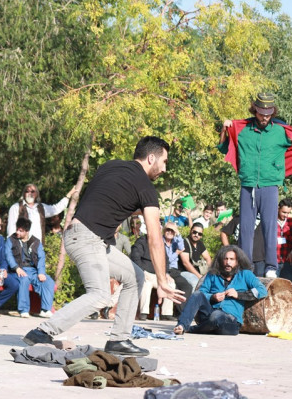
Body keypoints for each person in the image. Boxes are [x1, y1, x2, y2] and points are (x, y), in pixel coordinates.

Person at [22, 136, 185, 357]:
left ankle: (119, 339)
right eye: (164, 162)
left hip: (81, 236)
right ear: (151, 157)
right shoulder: (146, 186)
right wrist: (163, 281)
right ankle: (43, 331)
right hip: (88, 239)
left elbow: (107, 198)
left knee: (135, 277)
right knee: (99, 295)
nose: (165, 169)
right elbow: (155, 238)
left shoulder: (111, 166)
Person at [218, 93, 292, 284]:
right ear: (255, 111)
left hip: (270, 185)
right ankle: (245, 267)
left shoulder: (280, 131)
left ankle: (271, 267)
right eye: (261, 113)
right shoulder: (242, 128)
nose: (265, 117)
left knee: (270, 227)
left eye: (268, 113)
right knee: (245, 228)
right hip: (248, 185)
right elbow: (222, 147)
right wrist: (224, 129)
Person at [173, 245, 267, 335]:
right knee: (197, 295)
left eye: (231, 259)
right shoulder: (212, 274)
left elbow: (262, 290)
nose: (228, 262)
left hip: (231, 321)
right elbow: (202, 292)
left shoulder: (245, 274)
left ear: (237, 261)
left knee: (216, 316)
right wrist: (212, 297)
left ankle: (194, 329)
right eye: (225, 259)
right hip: (209, 314)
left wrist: (238, 294)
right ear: (220, 261)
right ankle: (182, 325)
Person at [5, 217, 55, 318]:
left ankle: (45, 309)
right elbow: (8, 255)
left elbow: (41, 257)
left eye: (21, 230)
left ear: (27, 231)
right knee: (24, 279)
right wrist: (16, 268)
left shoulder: (36, 242)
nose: (17, 232)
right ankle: (23, 309)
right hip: (18, 270)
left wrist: (41, 272)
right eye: (17, 229)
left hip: (33, 270)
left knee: (48, 281)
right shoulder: (11, 240)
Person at [6, 184, 77, 241]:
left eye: (32, 191)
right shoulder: (16, 207)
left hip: (37, 250)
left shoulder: (41, 208)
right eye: (27, 191)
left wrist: (69, 194)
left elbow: (56, 209)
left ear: (37, 194)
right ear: (24, 194)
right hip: (21, 250)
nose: (29, 193)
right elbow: (11, 230)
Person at [131, 235, 176, 321]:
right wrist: (142, 271)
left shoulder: (160, 242)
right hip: (145, 273)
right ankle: (144, 312)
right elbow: (135, 257)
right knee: (146, 283)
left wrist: (166, 273)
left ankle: (166, 313)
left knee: (170, 283)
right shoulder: (141, 241)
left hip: (158, 275)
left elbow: (165, 260)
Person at [163, 221, 194, 312]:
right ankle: (182, 312)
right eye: (167, 230)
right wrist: (176, 253)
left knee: (187, 287)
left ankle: (182, 311)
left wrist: (178, 232)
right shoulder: (160, 242)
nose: (169, 232)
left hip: (174, 271)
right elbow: (166, 260)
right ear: (164, 231)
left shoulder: (175, 241)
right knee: (174, 288)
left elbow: (181, 247)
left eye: (172, 231)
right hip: (164, 269)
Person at [178, 222, 212, 288]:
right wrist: (199, 277)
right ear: (190, 231)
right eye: (194, 232)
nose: (196, 235)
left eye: (199, 234)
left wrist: (210, 273)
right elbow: (186, 263)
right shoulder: (184, 242)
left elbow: (208, 258)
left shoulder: (200, 243)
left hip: (198, 272)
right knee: (196, 283)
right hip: (184, 272)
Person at [276, 198, 292, 280]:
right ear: (278, 208)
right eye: (284, 212)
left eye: (288, 213)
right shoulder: (271, 221)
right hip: (273, 260)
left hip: (287, 260)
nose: (286, 215)